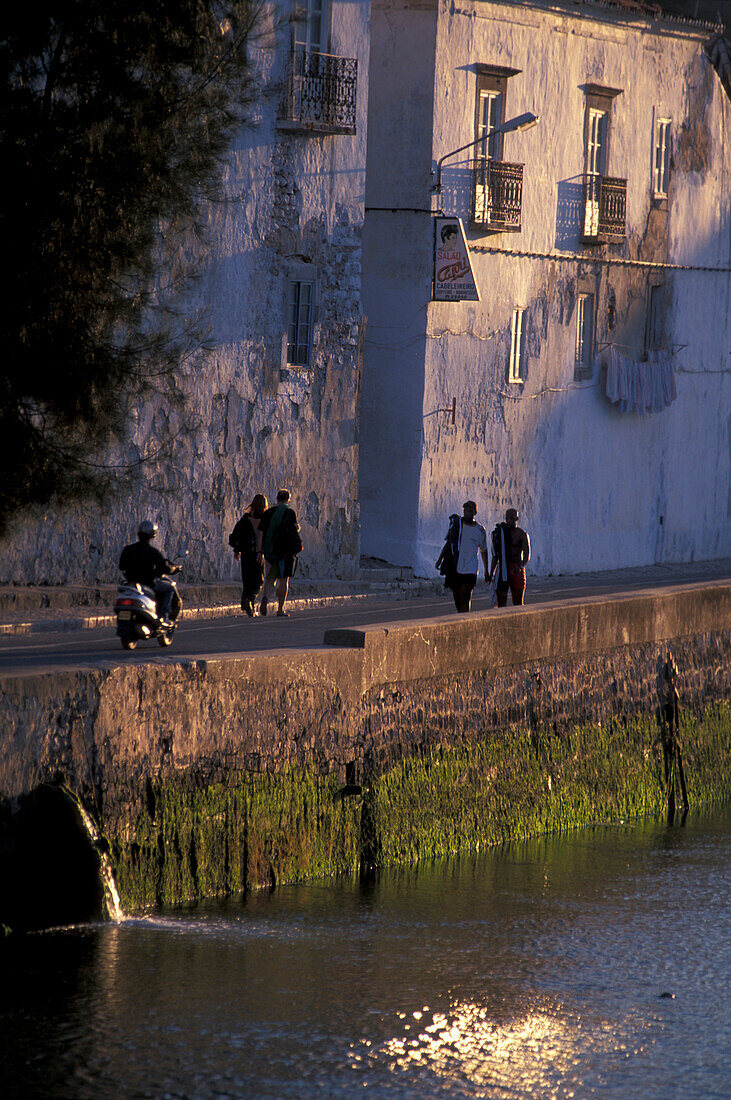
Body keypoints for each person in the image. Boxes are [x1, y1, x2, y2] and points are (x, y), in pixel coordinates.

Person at [119, 520, 180, 624]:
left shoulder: (128, 549)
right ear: (152, 535)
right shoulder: (153, 552)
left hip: (131, 583)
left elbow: (121, 566)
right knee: (169, 589)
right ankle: (163, 617)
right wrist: (175, 568)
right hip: (149, 583)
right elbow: (165, 568)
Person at [437, 500, 488, 613]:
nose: (467, 513)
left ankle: (465, 618)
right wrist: (440, 559)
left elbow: (484, 550)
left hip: (471, 568)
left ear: (475, 512)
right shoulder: (457, 526)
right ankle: (461, 616)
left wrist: (486, 570)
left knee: (466, 596)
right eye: (465, 510)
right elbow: (449, 543)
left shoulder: (480, 530)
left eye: (470, 511)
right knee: (457, 596)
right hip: (457, 566)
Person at [258, 489, 303, 617]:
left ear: (277, 498)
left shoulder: (268, 513)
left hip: (270, 552)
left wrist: (260, 551)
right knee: (283, 580)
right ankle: (280, 609)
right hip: (285, 552)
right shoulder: (289, 512)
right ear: (288, 499)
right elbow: (295, 529)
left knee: (270, 578)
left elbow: (261, 533)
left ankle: (265, 597)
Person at [228, 494, 268, 616]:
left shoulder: (245, 519)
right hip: (258, 553)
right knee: (259, 581)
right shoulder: (265, 520)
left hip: (246, 553)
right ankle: (250, 600)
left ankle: (248, 607)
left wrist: (236, 550)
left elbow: (235, 535)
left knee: (247, 580)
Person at [490, 507, 531, 607]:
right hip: (503, 568)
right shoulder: (500, 533)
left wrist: (520, 566)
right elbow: (495, 555)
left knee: (518, 602)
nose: (510, 520)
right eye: (508, 518)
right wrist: (490, 572)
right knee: (501, 600)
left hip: (517, 568)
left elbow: (527, 555)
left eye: (513, 518)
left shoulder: (522, 534)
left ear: (517, 519)